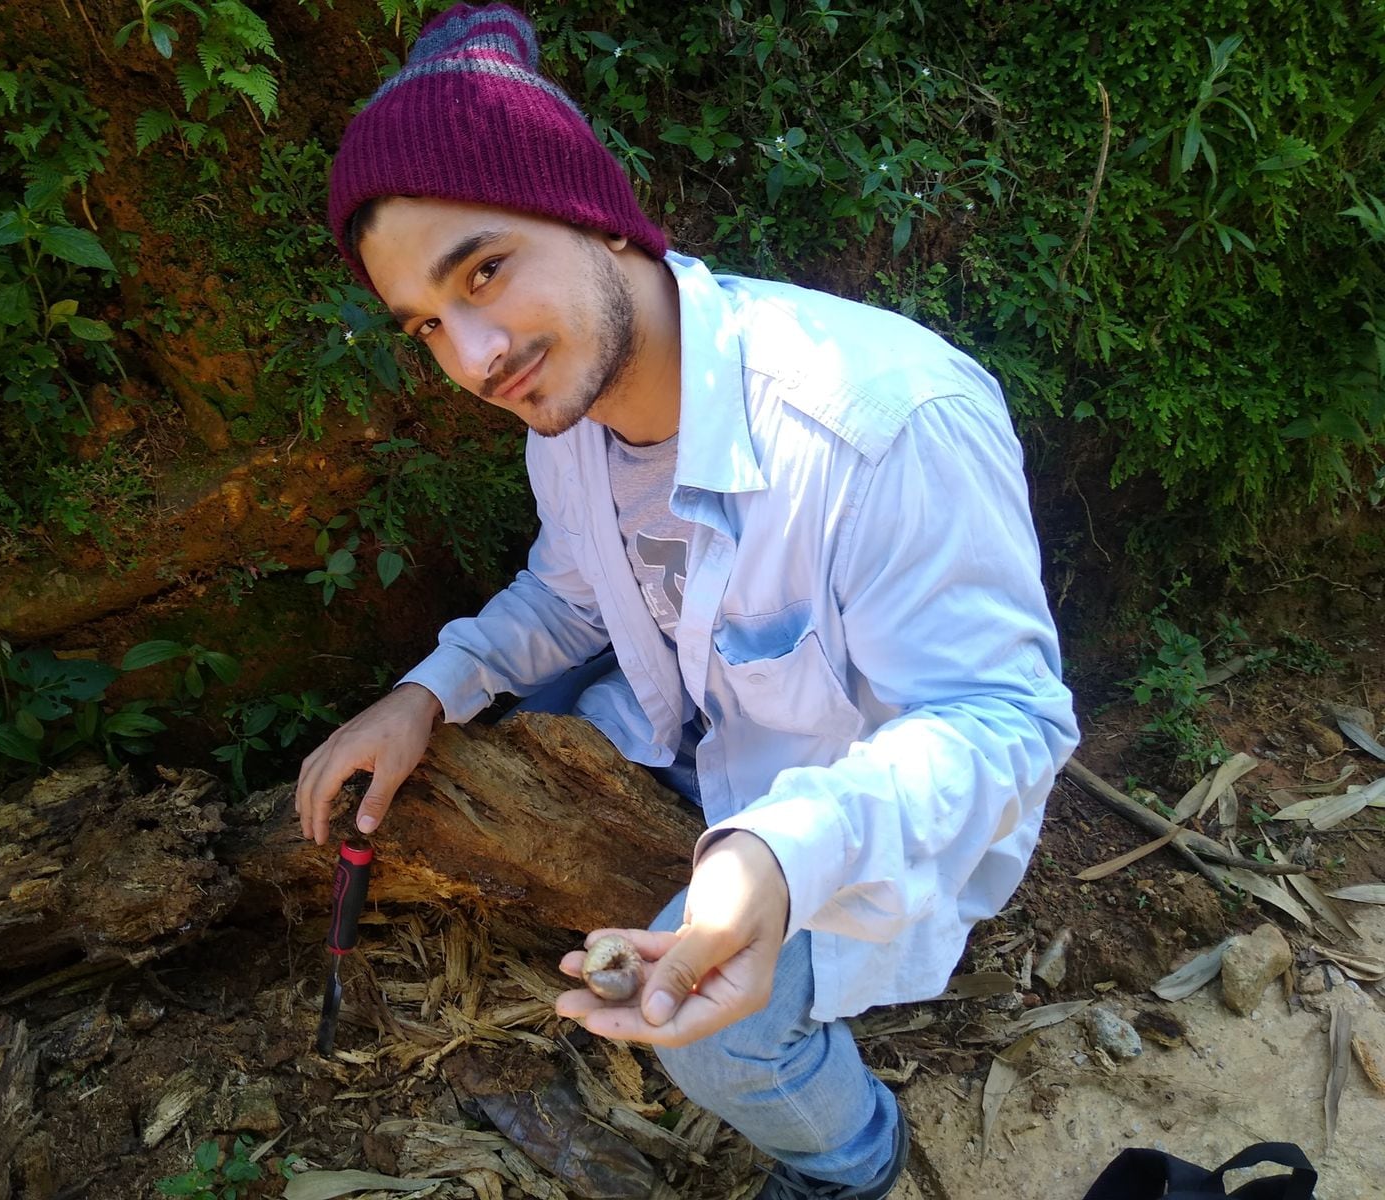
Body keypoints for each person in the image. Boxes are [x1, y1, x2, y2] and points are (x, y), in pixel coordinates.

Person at [298, 5, 1080, 1197]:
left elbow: (1004, 723)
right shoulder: (569, 416)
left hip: (860, 803)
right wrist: (426, 693)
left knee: (717, 1038)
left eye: (485, 270)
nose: (471, 356)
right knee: (496, 722)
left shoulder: (883, 424)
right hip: (700, 734)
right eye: (426, 325)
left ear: (597, 218)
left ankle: (850, 1164)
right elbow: (569, 597)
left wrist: (776, 855)